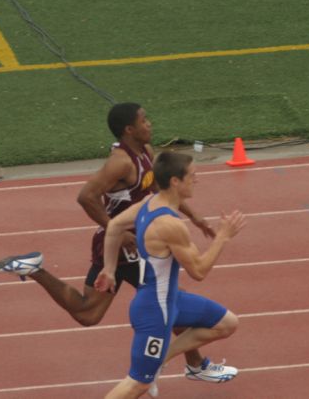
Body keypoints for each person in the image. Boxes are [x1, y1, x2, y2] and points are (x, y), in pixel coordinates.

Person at [0, 103, 237, 384]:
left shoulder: (146, 152)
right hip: (124, 244)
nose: (150, 124)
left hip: (135, 242)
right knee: (166, 301)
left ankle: (35, 270)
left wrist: (193, 217)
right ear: (129, 129)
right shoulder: (120, 162)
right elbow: (86, 196)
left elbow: (159, 191)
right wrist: (118, 231)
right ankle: (195, 365)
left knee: (91, 312)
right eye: (144, 121)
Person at [95, 152, 246, 398]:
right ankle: (152, 366)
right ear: (175, 181)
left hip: (169, 299)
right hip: (156, 310)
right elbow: (198, 271)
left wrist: (110, 269)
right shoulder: (169, 225)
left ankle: (159, 360)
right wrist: (223, 237)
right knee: (137, 384)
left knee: (227, 323)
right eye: (192, 176)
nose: (196, 180)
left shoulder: (149, 203)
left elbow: (114, 226)